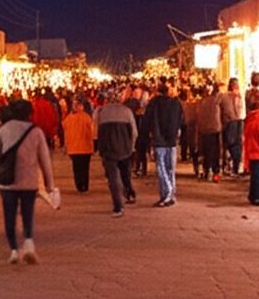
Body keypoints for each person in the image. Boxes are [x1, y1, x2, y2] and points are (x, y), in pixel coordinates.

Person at [0, 100, 56, 264]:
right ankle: (29, 243)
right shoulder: (36, 132)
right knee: (28, 214)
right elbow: (45, 159)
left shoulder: (4, 129)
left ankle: (13, 250)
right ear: (29, 114)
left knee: (9, 215)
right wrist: (49, 183)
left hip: (7, 181)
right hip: (29, 181)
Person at [94, 89, 138, 217]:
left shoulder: (101, 112)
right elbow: (134, 132)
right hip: (124, 148)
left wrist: (98, 147)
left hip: (108, 149)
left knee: (113, 178)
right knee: (125, 173)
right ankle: (129, 192)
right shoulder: (127, 112)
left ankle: (118, 206)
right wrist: (132, 147)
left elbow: (96, 131)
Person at [143, 82, 185, 207]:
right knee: (170, 168)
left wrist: (148, 134)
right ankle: (171, 194)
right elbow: (181, 121)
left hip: (159, 140)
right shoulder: (176, 104)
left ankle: (166, 194)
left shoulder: (154, 104)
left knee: (161, 168)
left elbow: (147, 120)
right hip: (172, 140)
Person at [63, 97, 95, 192]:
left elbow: (65, 130)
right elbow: (92, 132)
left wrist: (66, 146)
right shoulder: (87, 118)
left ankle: (79, 185)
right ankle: (85, 184)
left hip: (74, 148)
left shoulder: (69, 119)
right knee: (85, 167)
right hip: (86, 148)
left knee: (76, 168)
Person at [197, 83, 223, 182]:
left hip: (204, 130)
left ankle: (207, 170)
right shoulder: (216, 100)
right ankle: (215, 173)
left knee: (207, 151)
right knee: (215, 152)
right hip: (215, 129)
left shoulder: (201, 102)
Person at [219, 78, 244, 177]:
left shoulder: (225, 96)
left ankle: (232, 166)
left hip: (231, 122)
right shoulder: (237, 96)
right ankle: (234, 167)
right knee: (235, 145)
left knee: (231, 145)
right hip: (236, 121)